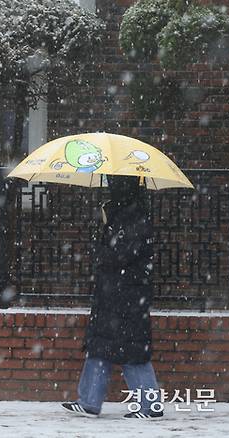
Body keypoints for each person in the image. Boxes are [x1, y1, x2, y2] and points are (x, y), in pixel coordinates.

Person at [62, 174, 163, 419]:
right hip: (116, 294)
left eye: (114, 183)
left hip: (126, 294)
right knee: (101, 346)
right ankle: (89, 402)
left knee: (131, 349)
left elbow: (122, 254)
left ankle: (150, 406)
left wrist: (101, 249)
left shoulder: (134, 217)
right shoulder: (125, 213)